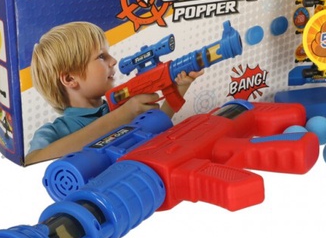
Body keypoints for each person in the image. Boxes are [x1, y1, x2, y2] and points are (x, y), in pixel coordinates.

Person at [25, 21, 201, 165]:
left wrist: (180, 87)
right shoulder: (53, 131)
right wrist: (120, 117)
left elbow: (154, 130)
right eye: (101, 56)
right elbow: (32, 161)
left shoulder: (121, 106)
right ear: (70, 79)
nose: (114, 61)